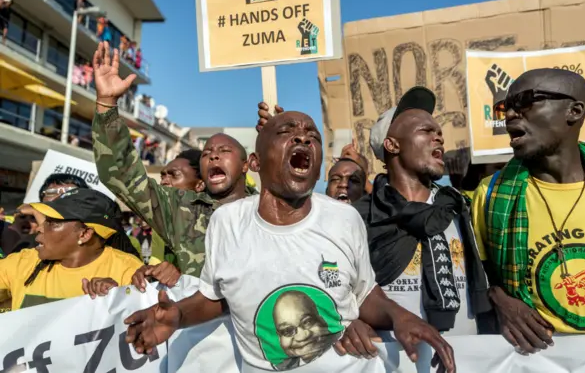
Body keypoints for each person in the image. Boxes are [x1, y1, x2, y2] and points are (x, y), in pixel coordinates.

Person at [123, 111, 456, 373]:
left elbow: (365, 293)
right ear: (255, 162)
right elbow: (216, 296)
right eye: (286, 132)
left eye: (312, 135)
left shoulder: (345, 219)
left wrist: (400, 317)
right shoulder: (226, 223)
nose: (303, 136)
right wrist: (178, 315)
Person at [471, 68, 585, 370]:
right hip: (536, 361)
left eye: (524, 101)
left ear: (574, 111)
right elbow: (479, 278)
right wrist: (499, 299)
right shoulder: (492, 195)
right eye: (504, 106)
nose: (509, 114)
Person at [91, 42, 254, 276]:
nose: (214, 155)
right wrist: (107, 105)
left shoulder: (269, 209)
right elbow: (122, 174)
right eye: (207, 153)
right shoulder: (180, 208)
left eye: (224, 151)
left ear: (246, 165)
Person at [350, 87, 492, 343]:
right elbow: (339, 291)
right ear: (392, 145)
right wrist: (350, 322)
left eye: (438, 132)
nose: (438, 138)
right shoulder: (358, 217)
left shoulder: (460, 208)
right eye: (426, 131)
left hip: (469, 359)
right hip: (393, 362)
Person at [0, 188, 142, 311]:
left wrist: (121, 298)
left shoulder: (127, 271)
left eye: (52, 223)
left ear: (85, 234)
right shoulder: (23, 262)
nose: (40, 227)